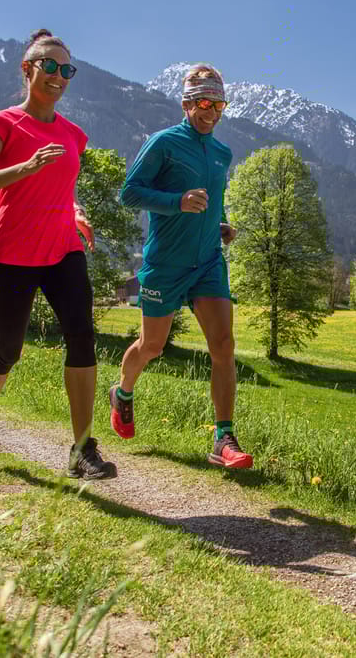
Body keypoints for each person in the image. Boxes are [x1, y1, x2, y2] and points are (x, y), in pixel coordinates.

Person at [0, 29, 116, 479]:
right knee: (9, 350)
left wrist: (76, 209)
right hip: (10, 255)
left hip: (63, 251)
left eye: (66, 69)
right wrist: (25, 167)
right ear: (27, 69)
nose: (58, 75)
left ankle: (82, 449)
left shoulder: (74, 135)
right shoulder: (1, 124)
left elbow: (61, 187)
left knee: (82, 336)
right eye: (49, 65)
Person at [111, 64, 252, 469]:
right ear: (187, 103)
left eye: (219, 104)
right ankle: (122, 392)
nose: (211, 111)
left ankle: (223, 438)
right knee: (152, 345)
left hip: (208, 262)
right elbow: (129, 194)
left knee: (223, 346)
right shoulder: (164, 143)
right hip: (166, 264)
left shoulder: (222, 153)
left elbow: (212, 197)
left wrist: (219, 223)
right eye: (204, 102)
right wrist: (178, 202)